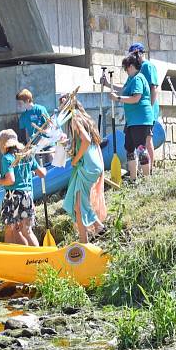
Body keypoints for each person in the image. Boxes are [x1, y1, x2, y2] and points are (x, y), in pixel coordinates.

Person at [0, 129, 47, 246]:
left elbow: (10, 180)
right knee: (25, 231)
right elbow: (42, 174)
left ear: (3, 145)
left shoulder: (7, 158)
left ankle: (10, 259)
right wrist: (44, 169)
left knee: (9, 230)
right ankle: (36, 258)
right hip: (27, 196)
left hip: (13, 196)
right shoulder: (27, 156)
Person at [104, 55, 154, 181]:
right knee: (129, 148)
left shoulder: (138, 79)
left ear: (131, 66)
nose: (125, 70)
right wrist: (107, 84)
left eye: (126, 68)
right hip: (132, 121)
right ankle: (133, 178)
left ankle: (147, 179)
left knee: (141, 148)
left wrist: (118, 99)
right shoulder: (131, 79)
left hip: (141, 120)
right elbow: (123, 90)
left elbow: (136, 98)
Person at [63, 100, 106, 243]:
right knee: (79, 203)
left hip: (86, 167)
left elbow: (86, 141)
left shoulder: (75, 119)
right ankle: (97, 229)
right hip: (93, 166)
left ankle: (84, 241)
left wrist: (75, 160)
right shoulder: (85, 119)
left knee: (78, 206)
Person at [128, 43, 160, 172]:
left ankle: (150, 169)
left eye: (134, 55)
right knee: (141, 142)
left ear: (140, 53)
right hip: (138, 113)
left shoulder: (148, 66)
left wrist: (149, 108)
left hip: (148, 111)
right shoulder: (136, 69)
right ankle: (144, 168)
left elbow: (154, 88)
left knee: (147, 140)